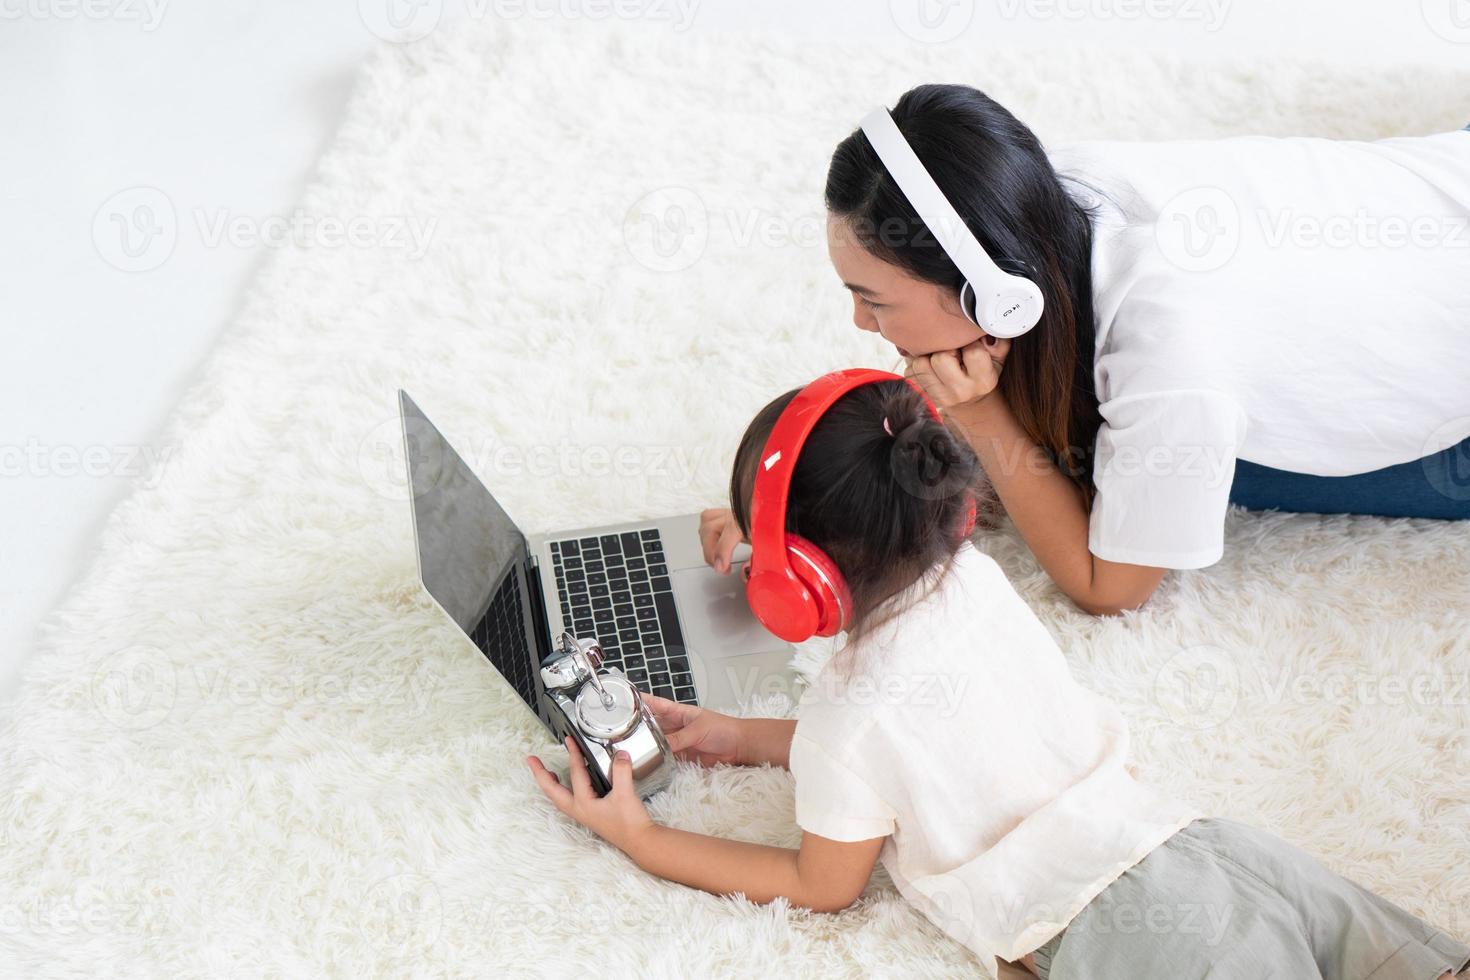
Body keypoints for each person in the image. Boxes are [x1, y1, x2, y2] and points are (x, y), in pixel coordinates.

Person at [527, 372, 1469, 980]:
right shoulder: (975, 584)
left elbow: (822, 885)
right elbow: (916, 744)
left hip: (1140, 940)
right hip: (1211, 855)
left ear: (800, 587)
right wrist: (737, 736)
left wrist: (643, 839)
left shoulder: (849, 718)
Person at [700, 84, 1470, 616]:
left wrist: (986, 415)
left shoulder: (1173, 362)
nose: (863, 325)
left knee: (1153, 464)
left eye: (873, 299)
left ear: (990, 294)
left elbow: (1111, 587)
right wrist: (785, 515)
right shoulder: (1033, 194)